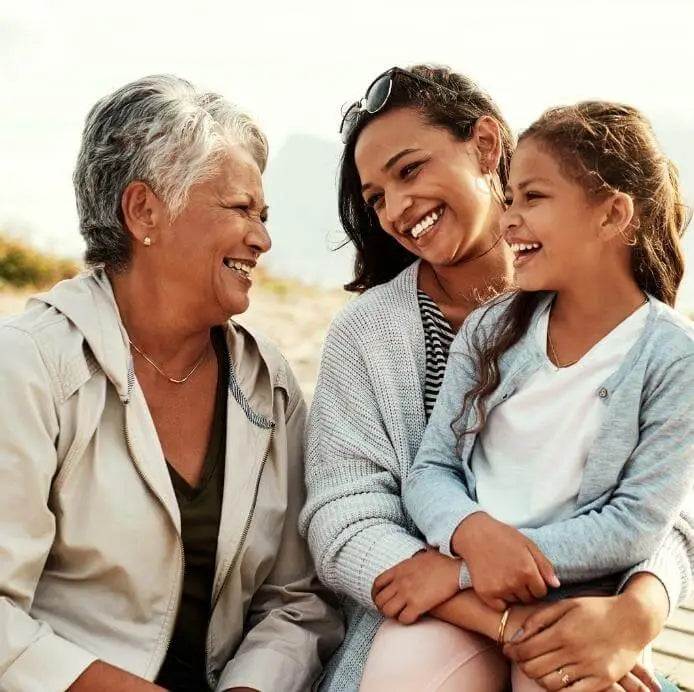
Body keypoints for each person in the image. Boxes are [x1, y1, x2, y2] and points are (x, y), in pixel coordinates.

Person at [299, 66, 693, 691]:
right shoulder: (372, 335)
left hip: (585, 609)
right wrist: (489, 606)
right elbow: (345, 518)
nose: (397, 209)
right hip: (427, 622)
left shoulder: (644, 337)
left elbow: (664, 509)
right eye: (376, 197)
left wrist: (637, 611)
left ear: (485, 146)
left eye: (410, 170)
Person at [0, 74, 342, 692]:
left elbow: (296, 600)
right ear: (144, 211)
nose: (262, 239)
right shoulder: (27, 368)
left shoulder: (271, 385)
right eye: (241, 209)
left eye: (263, 216)